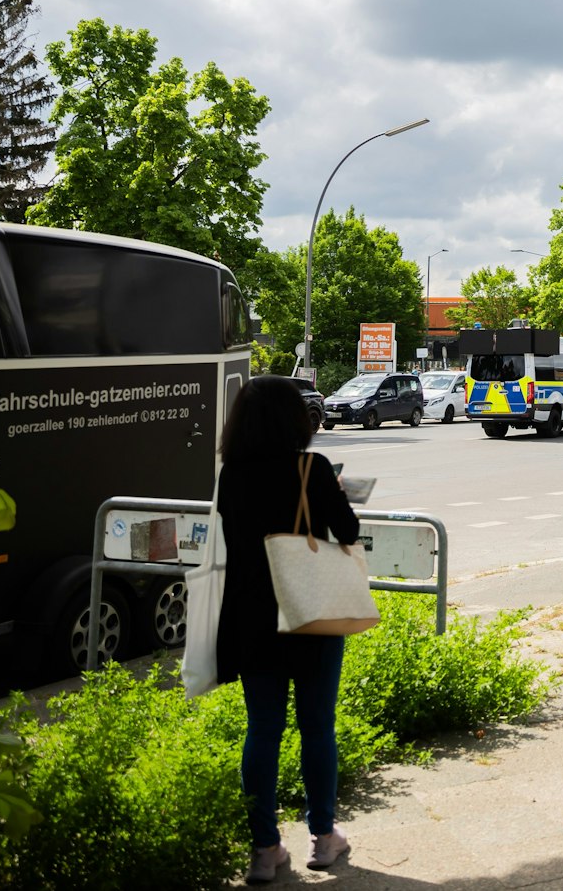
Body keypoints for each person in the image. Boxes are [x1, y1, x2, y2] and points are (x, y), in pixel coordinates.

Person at [216, 375, 362, 884]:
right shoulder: (311, 468)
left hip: (251, 618)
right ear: (292, 420)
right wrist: (336, 492)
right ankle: (323, 839)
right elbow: (347, 532)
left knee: (262, 731)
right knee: (316, 725)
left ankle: (264, 850)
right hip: (309, 615)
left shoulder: (230, 475)